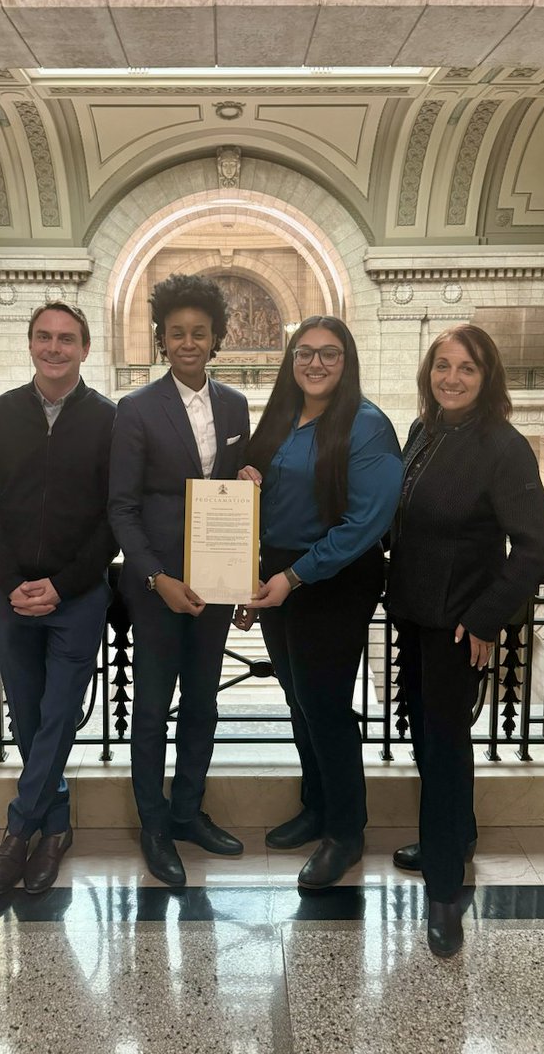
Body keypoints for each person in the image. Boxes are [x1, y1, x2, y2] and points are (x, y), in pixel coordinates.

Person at [386, 323, 544, 957]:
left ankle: (443, 890)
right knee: (431, 742)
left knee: (445, 747)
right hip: (413, 613)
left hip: (460, 625)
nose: (451, 378)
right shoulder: (423, 432)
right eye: (442, 366)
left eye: (467, 369)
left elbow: (540, 542)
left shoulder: (503, 447)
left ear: (488, 380)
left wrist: (489, 616)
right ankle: (452, 838)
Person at [234, 316, 403, 888]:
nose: (315, 363)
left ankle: (346, 832)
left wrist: (293, 577)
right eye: (304, 353)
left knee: (326, 707)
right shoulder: (282, 414)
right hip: (280, 576)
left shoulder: (367, 425)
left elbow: (367, 521)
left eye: (329, 354)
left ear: (347, 360)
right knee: (299, 701)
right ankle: (316, 806)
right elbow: (263, 493)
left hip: (333, 579)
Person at [0, 302, 117, 894]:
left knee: (58, 715)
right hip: (11, 594)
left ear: (84, 348)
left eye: (67, 339)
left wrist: (63, 584)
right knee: (28, 716)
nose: (55, 348)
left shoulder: (109, 419)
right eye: (44, 338)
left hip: (77, 597)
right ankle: (55, 828)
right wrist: (11, 583)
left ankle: (18, 830)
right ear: (31, 344)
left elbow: (113, 517)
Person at [108, 273, 250, 886]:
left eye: (200, 333)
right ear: (163, 341)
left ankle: (189, 812)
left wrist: (250, 486)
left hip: (217, 587)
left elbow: (235, 490)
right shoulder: (136, 409)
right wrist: (157, 577)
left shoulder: (236, 405)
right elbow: (122, 508)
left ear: (216, 338)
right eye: (177, 334)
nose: (188, 342)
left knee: (202, 701)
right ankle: (154, 825)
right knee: (151, 707)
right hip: (158, 588)